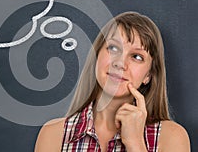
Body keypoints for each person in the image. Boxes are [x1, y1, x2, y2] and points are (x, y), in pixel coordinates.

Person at [34, 12, 191, 151]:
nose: (120, 63)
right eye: (114, 48)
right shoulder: (53, 134)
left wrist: (135, 144)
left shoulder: (171, 137)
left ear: (148, 76)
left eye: (137, 56)